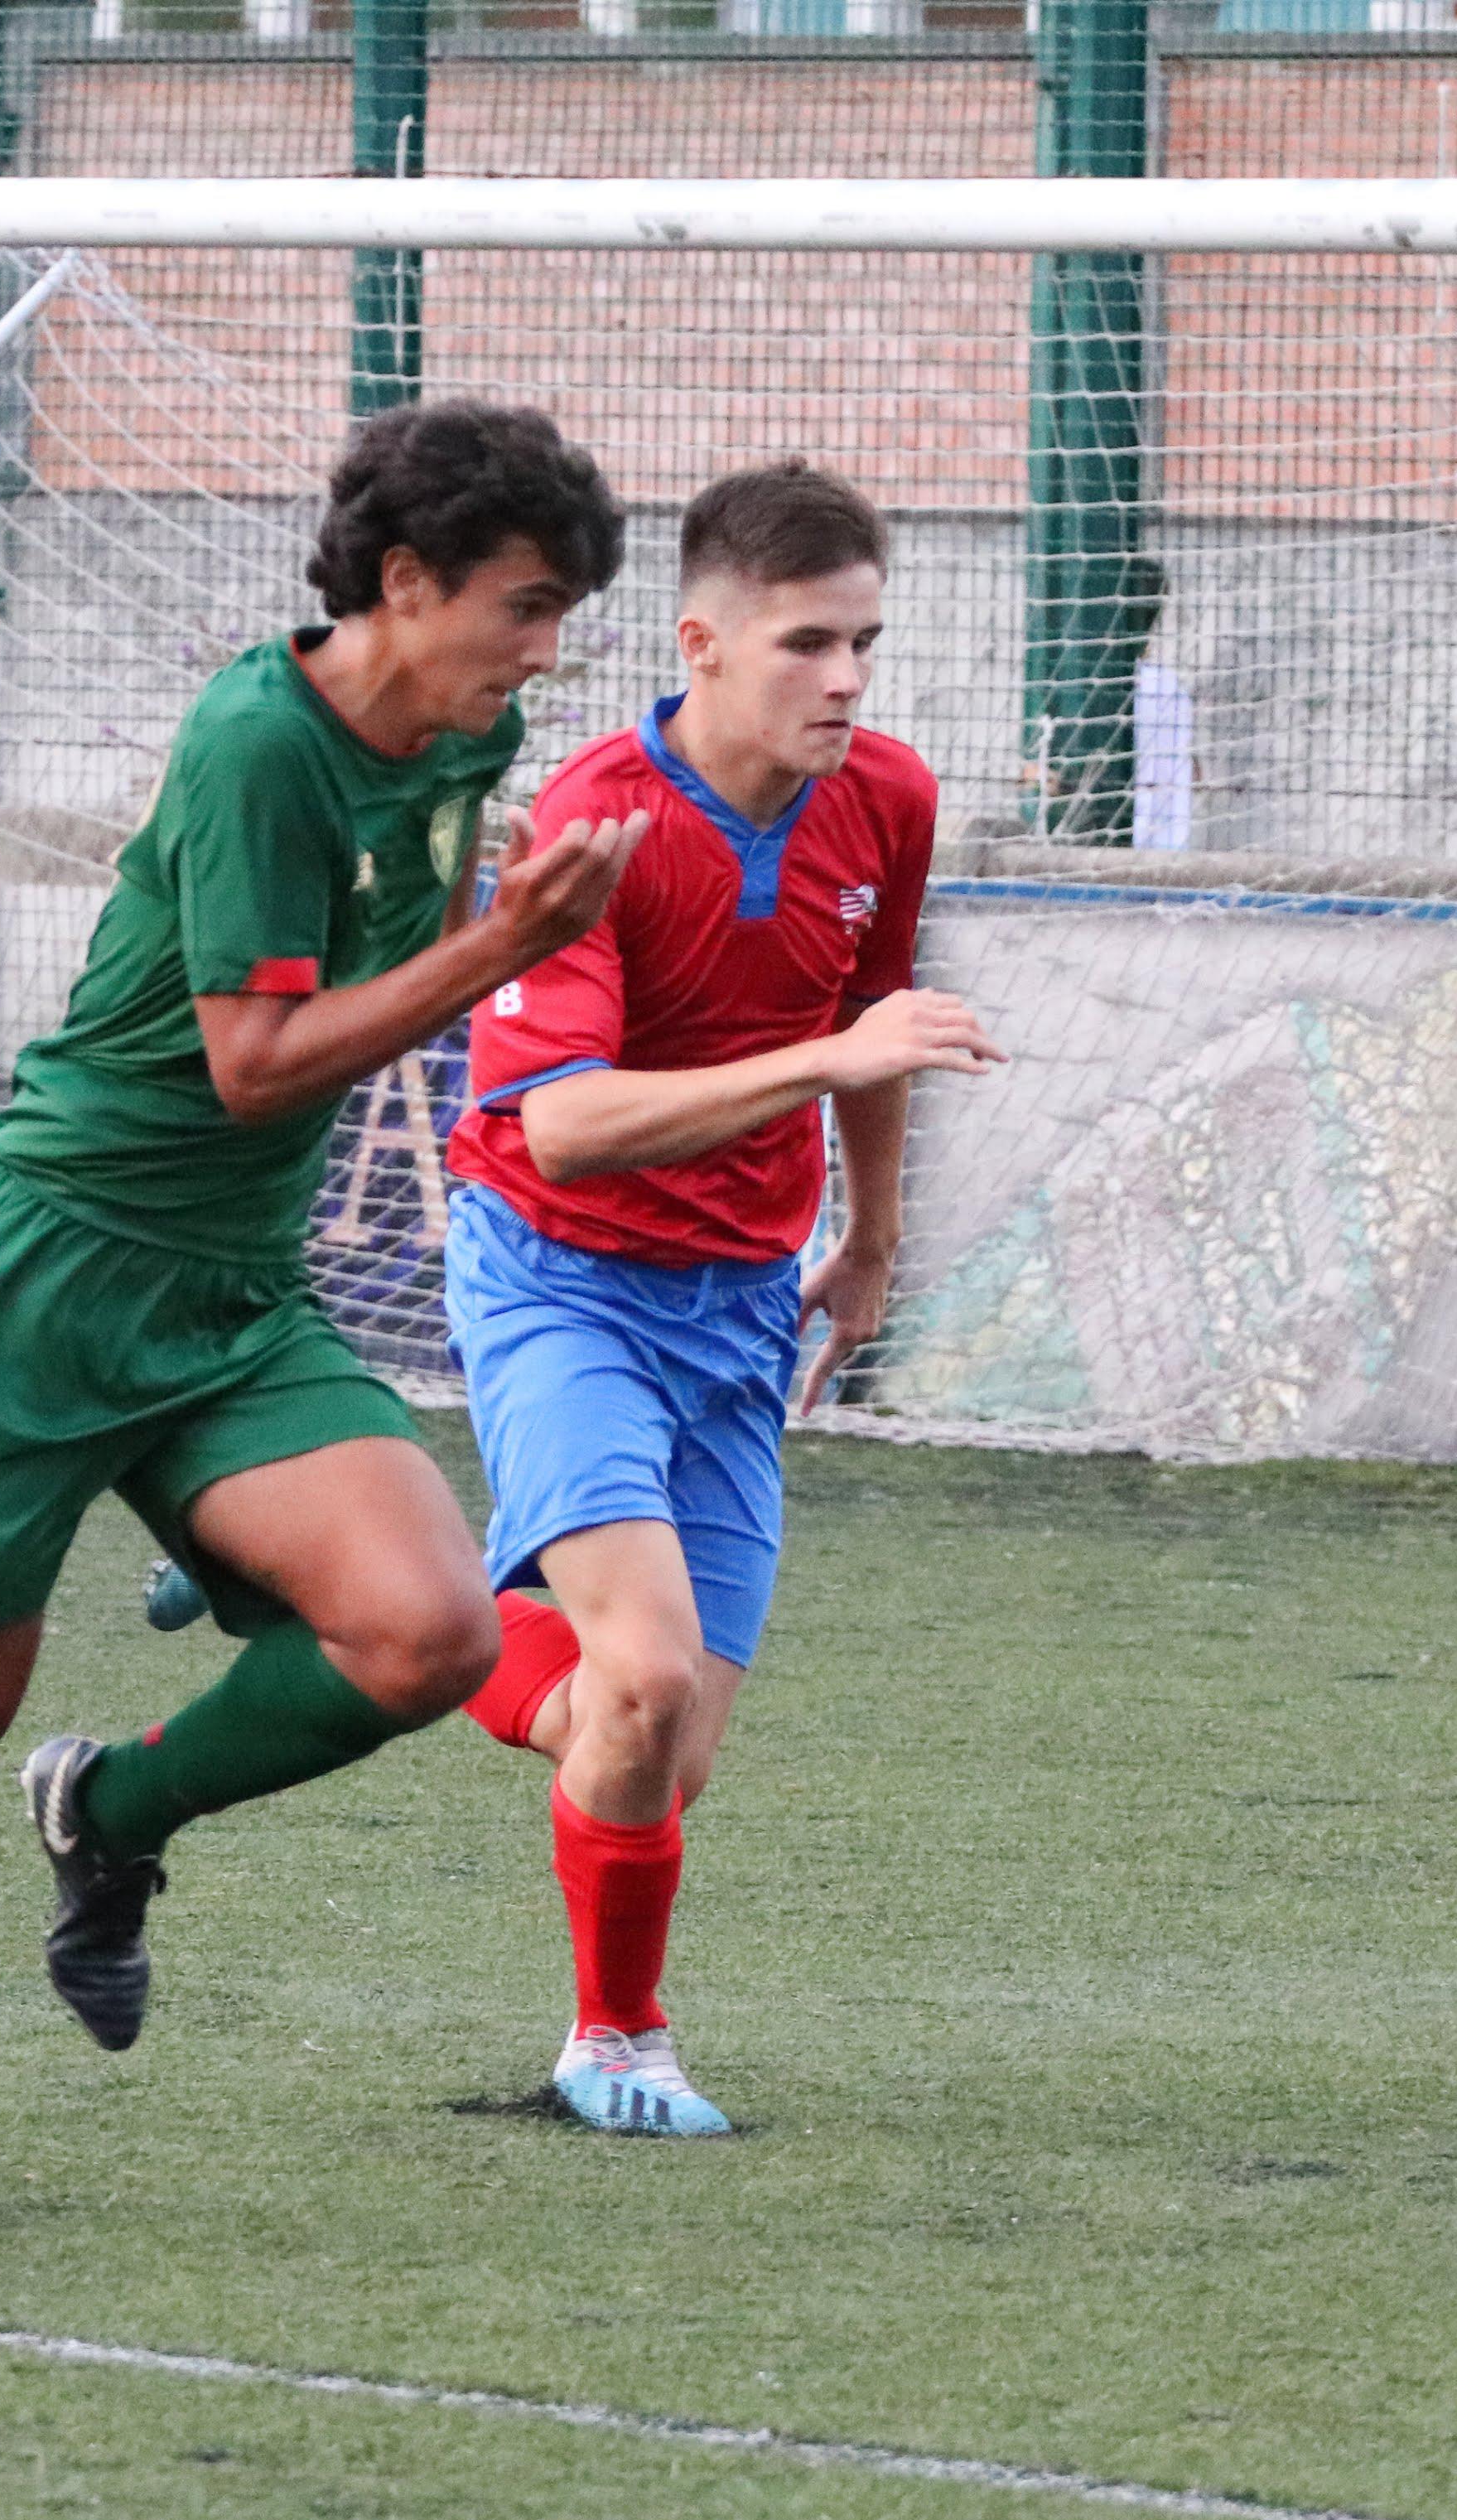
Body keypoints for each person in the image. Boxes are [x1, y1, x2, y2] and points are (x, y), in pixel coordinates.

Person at [0, 398, 646, 2237]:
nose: (548, 647)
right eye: (527, 603)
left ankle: (115, 1811)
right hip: (44, 1282)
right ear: (404, 585)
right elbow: (249, 1066)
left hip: (232, 1294)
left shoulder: (474, 739)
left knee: (427, 1635)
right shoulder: (260, 740)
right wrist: (500, 953)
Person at [439, 458, 1001, 2135]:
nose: (845, 680)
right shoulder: (590, 827)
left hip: (742, 1299)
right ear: (700, 642)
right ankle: (615, 2039)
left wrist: (875, 1235)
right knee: (644, 1679)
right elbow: (564, 1123)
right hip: (561, 1275)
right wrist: (827, 1057)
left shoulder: (885, 797)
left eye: (865, 645)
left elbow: (877, 1002)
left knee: (658, 1754)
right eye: (808, 644)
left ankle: (374, 1619)